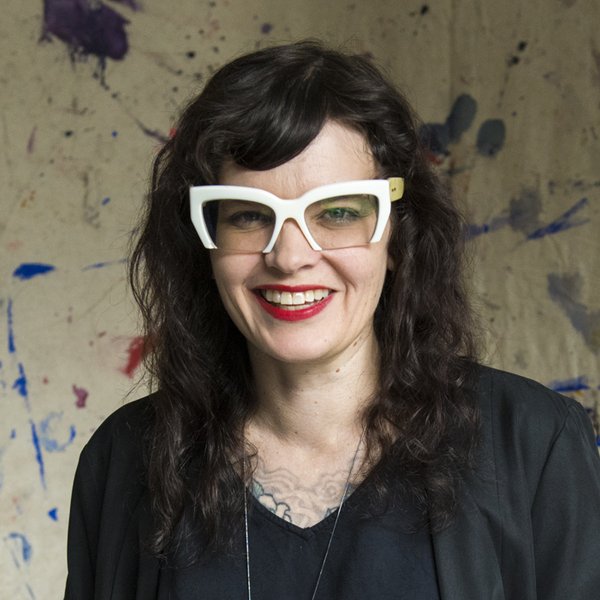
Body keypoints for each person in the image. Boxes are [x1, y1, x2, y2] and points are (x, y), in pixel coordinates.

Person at [64, 41, 600, 600]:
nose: (290, 256)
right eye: (249, 216)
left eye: (338, 212)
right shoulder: (124, 461)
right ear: (206, 242)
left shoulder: (533, 442)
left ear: (396, 235)